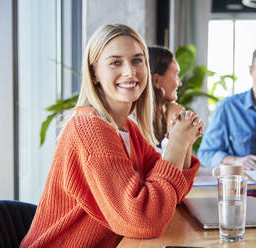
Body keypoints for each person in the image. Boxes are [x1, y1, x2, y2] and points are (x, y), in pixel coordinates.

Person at [20, 24, 203, 248]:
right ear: (94, 73)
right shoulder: (89, 128)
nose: (130, 71)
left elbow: (168, 197)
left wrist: (184, 142)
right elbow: (143, 220)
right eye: (115, 62)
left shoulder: (128, 129)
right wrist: (177, 142)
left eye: (137, 60)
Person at [148, 46, 185, 154]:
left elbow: (185, 169)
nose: (179, 83)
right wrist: (174, 129)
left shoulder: (162, 116)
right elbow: (167, 167)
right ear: (156, 80)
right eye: (176, 75)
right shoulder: (134, 122)